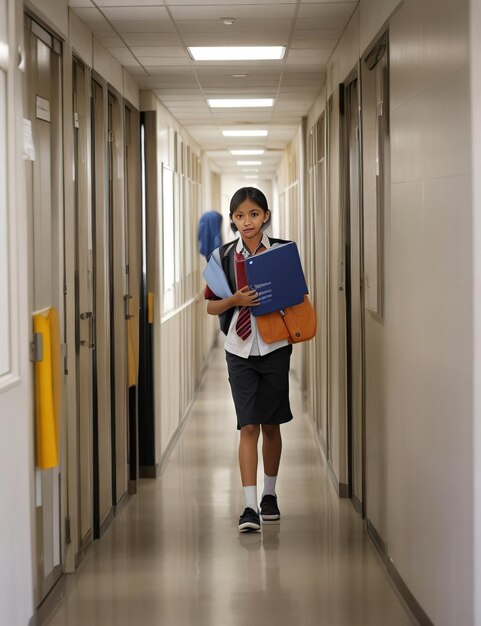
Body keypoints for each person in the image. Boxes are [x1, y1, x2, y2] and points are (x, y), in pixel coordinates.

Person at [204, 187, 294, 533]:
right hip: (239, 350)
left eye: (254, 214)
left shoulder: (283, 252)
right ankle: (248, 505)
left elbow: (298, 295)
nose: (247, 221)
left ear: (266, 216)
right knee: (249, 425)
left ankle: (269, 497)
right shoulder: (223, 257)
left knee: (271, 425)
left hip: (275, 347)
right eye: (240, 216)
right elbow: (211, 304)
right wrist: (236, 299)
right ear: (232, 220)